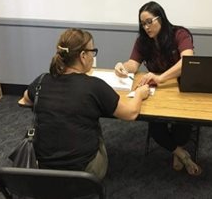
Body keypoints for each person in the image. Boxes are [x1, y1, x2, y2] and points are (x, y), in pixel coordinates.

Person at [20, 28, 150, 180]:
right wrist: (140, 94)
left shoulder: (42, 80)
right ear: (83, 56)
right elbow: (130, 113)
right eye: (92, 51)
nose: (92, 55)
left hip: (42, 169)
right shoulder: (94, 86)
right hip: (84, 174)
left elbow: (26, 99)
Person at [114, 1, 202, 176]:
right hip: (157, 89)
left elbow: (187, 61)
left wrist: (161, 77)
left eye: (149, 21)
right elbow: (133, 64)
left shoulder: (180, 34)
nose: (146, 27)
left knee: (183, 125)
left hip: (180, 85)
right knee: (156, 125)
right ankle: (180, 153)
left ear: (160, 18)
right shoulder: (142, 41)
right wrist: (122, 66)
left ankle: (177, 149)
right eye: (142, 24)